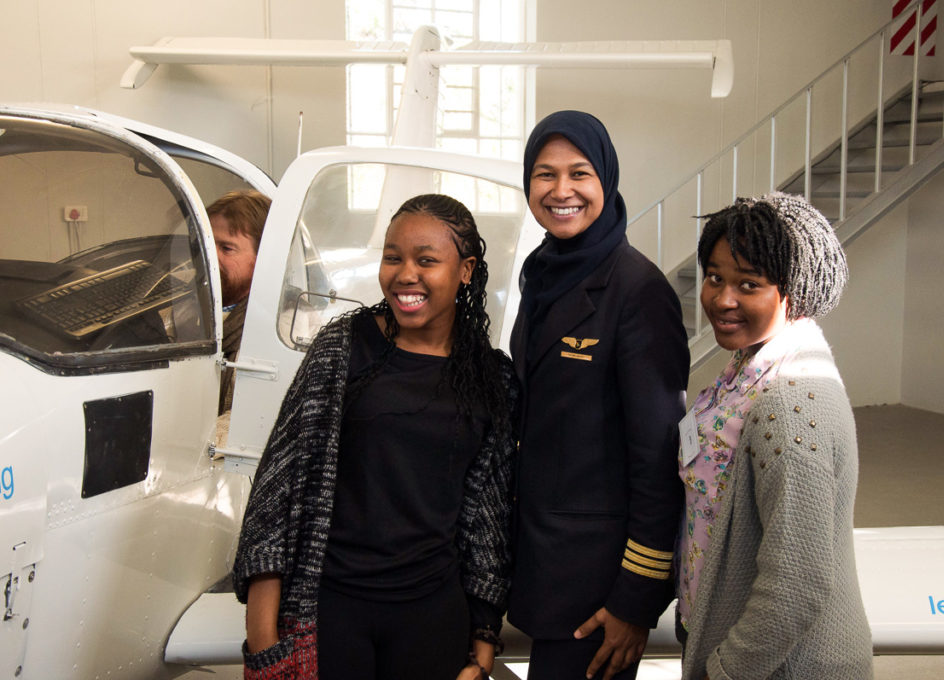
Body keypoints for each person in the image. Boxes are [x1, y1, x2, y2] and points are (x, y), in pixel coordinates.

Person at [232, 194, 516, 680]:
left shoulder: (492, 378)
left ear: (466, 270)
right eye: (393, 258)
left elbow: (490, 521)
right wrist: (264, 644)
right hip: (331, 609)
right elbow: (276, 494)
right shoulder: (342, 348)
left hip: (432, 617)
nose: (406, 274)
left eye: (426, 260)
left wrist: (484, 642)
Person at [508, 110, 690, 680]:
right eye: (545, 174)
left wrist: (635, 598)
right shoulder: (543, 273)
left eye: (579, 173)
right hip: (546, 562)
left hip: (599, 587)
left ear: (606, 179)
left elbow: (659, 458)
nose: (561, 190)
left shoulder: (638, 291)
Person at [677, 192, 873, 680]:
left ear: (795, 290)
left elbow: (797, 583)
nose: (723, 299)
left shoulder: (789, 406)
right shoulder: (750, 365)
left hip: (777, 665)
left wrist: (723, 672)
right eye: (715, 278)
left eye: (749, 284)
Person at [206, 189, 271, 414]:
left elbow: (255, 418)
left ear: (264, 258)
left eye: (226, 248)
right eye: (207, 244)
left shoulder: (282, 330)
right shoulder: (178, 311)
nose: (211, 256)